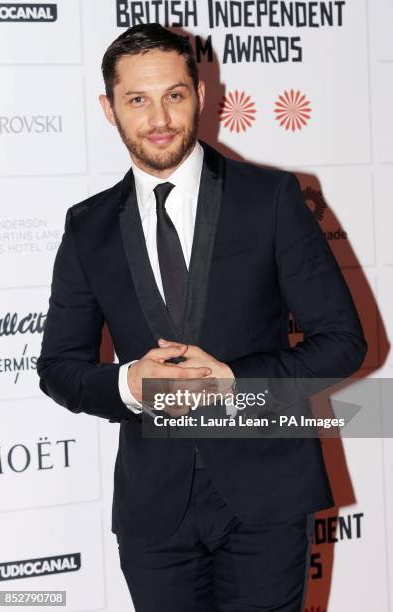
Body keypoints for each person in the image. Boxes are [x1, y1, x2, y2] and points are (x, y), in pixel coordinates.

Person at [37, 22, 367, 612]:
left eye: (174, 94)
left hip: (266, 494)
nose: (159, 117)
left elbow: (344, 342)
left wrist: (236, 381)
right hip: (154, 512)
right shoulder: (88, 228)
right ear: (109, 108)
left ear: (200, 94)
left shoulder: (269, 198)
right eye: (137, 99)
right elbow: (59, 367)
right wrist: (128, 383)